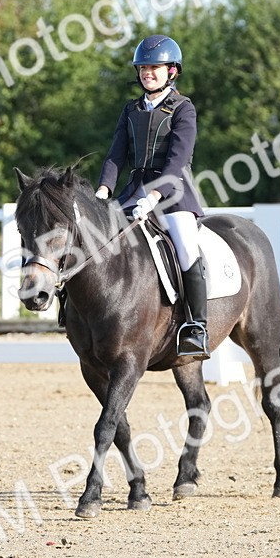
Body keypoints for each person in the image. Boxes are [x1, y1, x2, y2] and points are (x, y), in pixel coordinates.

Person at [96, 34, 209, 359]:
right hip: (133, 190)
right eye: (143, 67)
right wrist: (104, 189)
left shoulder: (183, 108)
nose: (148, 72)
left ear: (171, 71)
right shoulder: (130, 109)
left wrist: (155, 194)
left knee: (186, 247)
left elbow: (177, 159)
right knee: (97, 240)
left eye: (155, 67)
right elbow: (116, 155)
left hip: (174, 192)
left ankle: (195, 326)